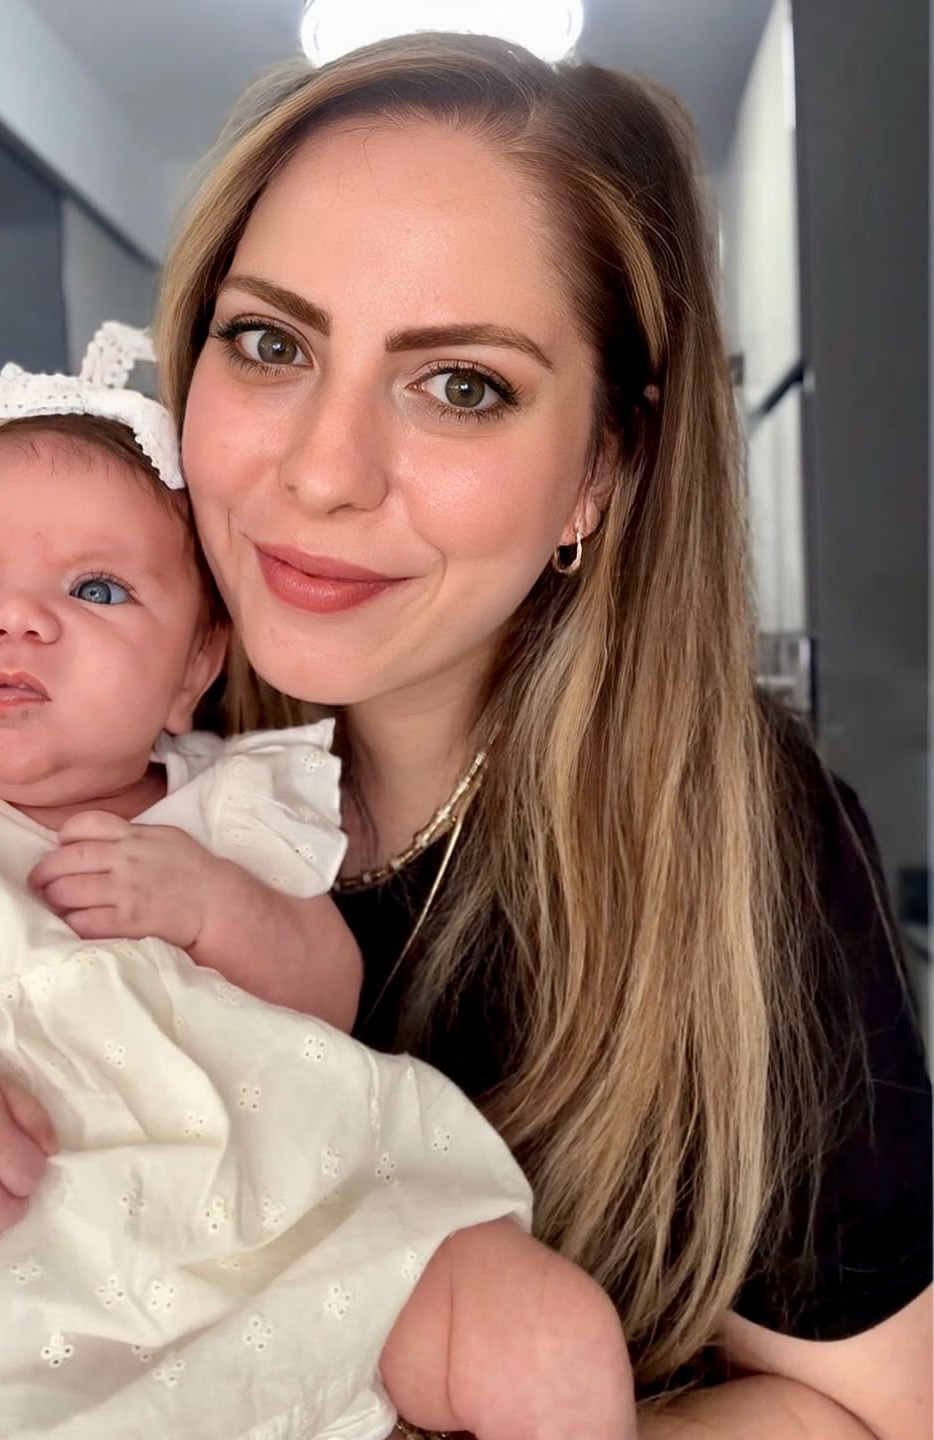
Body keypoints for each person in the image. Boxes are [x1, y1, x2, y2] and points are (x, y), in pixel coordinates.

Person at [156, 31, 933, 1437]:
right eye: (269, 342)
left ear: (601, 468)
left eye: (462, 384)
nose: (322, 472)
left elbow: (874, 1414)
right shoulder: (73, 719)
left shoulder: (737, 834)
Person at [0, 329, 638, 1440]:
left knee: (547, 1333)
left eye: (97, 588)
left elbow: (328, 991)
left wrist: (214, 906)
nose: (14, 617)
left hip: (284, 1247)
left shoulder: (230, 808)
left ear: (194, 668)